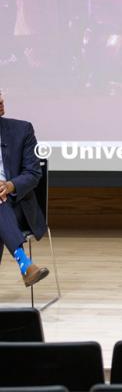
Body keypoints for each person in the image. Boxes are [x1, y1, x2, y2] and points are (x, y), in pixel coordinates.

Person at [0, 91, 49, 286]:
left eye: (1, 100)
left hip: (16, 204)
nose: (1, 104)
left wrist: (9, 185)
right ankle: (24, 263)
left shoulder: (22, 130)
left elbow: (33, 173)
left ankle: (24, 263)